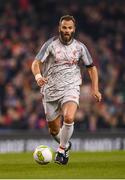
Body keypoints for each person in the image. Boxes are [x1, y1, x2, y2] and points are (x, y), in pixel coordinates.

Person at [31, 15, 102, 165]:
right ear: (59, 28)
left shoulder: (80, 47)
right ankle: (66, 144)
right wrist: (38, 76)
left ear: (74, 29)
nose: (67, 30)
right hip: (50, 91)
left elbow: (92, 68)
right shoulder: (50, 45)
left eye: (70, 28)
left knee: (69, 118)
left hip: (71, 87)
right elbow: (36, 63)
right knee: (54, 131)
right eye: (64, 27)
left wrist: (95, 89)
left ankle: (62, 149)